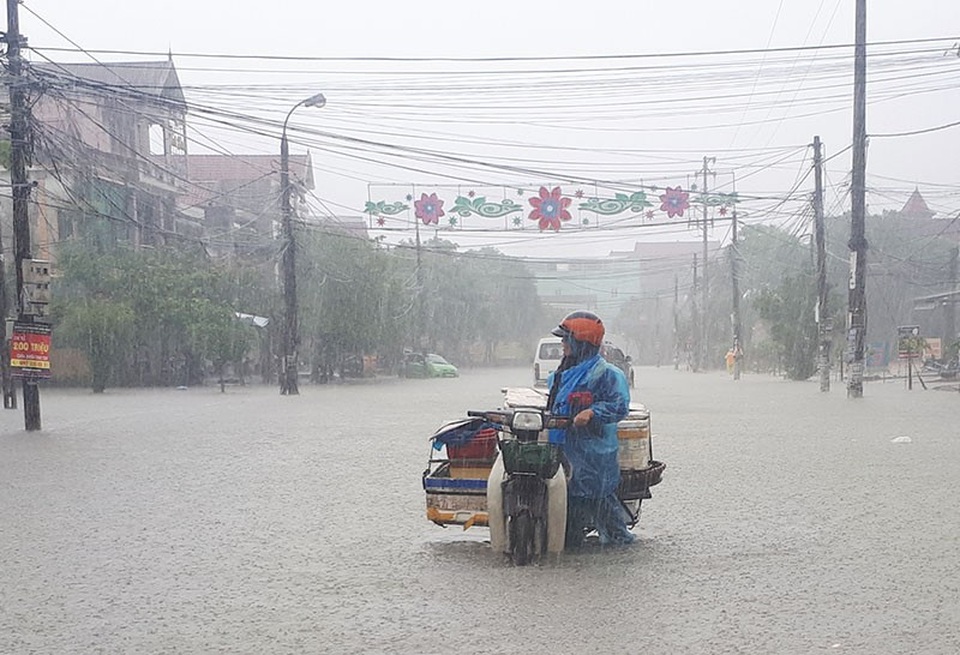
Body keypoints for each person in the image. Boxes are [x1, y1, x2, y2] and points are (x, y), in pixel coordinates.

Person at [546, 310, 634, 548]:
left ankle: (620, 551)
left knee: (605, 516)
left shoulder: (606, 374)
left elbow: (619, 406)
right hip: (564, 453)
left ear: (581, 342)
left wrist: (592, 412)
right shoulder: (560, 375)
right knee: (567, 524)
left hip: (593, 457)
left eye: (566, 339)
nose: (562, 344)